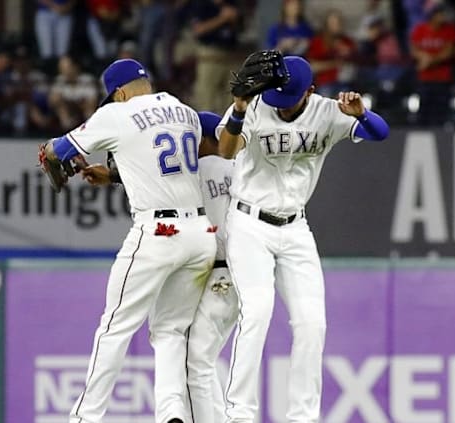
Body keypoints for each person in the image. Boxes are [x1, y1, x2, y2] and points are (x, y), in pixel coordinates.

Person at [216, 55, 389, 423]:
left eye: (289, 97)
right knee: (257, 312)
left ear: (309, 91)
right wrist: (238, 109)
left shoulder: (329, 111)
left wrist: (360, 114)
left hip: (295, 227)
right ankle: (239, 415)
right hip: (249, 222)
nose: (280, 103)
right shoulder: (257, 105)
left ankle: (303, 417)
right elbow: (225, 151)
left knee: (313, 324)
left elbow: (381, 133)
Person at [44, 58, 217, 423]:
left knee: (114, 327)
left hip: (158, 233)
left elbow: (58, 151)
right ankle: (173, 415)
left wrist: (48, 151)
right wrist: (115, 176)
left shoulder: (116, 115)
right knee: (171, 331)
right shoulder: (183, 109)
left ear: (119, 93)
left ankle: (84, 418)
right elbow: (171, 154)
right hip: (201, 234)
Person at [185, 111, 237, 423]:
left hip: (220, 273)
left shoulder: (200, 168)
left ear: (203, 140)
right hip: (243, 272)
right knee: (201, 359)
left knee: (196, 360)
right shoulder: (242, 168)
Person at [409, 3, 455, 126]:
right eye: (439, 14)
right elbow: (413, 49)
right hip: (425, 78)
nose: (442, 16)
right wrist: (423, 57)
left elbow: (448, 52)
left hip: (443, 78)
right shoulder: (420, 29)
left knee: (441, 113)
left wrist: (429, 61)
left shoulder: (449, 29)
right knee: (423, 112)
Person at [191, 0, 241, 113]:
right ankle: (206, 128)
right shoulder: (202, 5)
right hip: (209, 55)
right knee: (206, 98)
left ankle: (225, 128)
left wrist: (234, 20)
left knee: (229, 100)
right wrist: (222, 18)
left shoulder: (232, 4)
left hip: (230, 55)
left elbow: (240, 31)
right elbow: (198, 30)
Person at [306, 10, 357, 98]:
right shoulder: (318, 42)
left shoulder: (347, 42)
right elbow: (313, 67)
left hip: (346, 83)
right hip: (325, 84)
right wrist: (334, 64)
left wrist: (348, 54)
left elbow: (356, 62)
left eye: (338, 23)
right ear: (326, 25)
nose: (336, 26)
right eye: (333, 23)